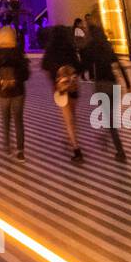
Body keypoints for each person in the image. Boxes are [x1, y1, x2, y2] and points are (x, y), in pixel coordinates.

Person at [81, 13, 129, 161]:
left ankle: (120, 151)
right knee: (111, 118)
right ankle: (109, 136)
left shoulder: (90, 47)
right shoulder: (106, 46)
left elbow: (84, 66)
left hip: (101, 85)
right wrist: (128, 83)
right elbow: (119, 64)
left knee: (109, 120)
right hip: (114, 84)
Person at [41, 25, 84, 161]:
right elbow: (79, 67)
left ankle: (76, 148)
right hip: (73, 87)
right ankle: (70, 137)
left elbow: (45, 67)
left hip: (61, 89)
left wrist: (54, 81)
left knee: (67, 119)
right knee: (73, 114)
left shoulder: (50, 51)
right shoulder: (70, 49)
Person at [0, 26, 30, 160]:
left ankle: (7, 145)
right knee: (18, 120)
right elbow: (26, 74)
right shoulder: (18, 52)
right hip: (18, 91)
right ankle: (20, 150)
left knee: (5, 118)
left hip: (3, 91)